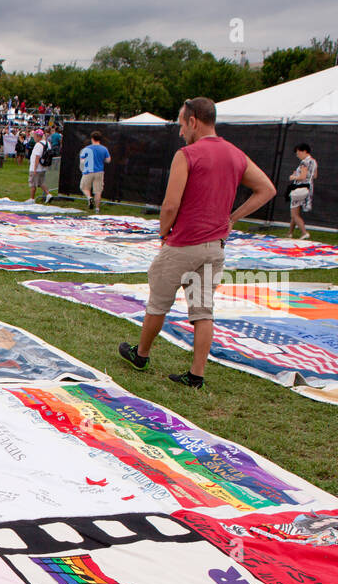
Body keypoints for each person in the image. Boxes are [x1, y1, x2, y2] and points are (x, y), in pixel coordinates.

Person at [118, 97, 276, 389]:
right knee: (203, 311)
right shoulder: (235, 155)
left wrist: (164, 233)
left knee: (158, 303)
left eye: (181, 124)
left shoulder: (187, 155)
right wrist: (232, 219)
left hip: (183, 244)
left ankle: (141, 355)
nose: (180, 132)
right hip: (215, 246)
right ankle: (196, 374)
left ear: (193, 121)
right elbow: (267, 189)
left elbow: (170, 204)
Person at [287, 142, 317, 240]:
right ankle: (289, 233)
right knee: (296, 212)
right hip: (308, 188)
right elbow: (314, 176)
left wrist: (293, 177)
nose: (297, 155)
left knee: (294, 213)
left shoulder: (304, 162)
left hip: (299, 188)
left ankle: (304, 232)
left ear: (304, 151)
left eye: (298, 153)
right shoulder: (314, 162)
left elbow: (302, 177)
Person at [79, 130, 111, 212]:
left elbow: (82, 160)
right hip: (99, 172)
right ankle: (97, 209)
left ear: (92, 138)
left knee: (84, 187)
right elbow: (108, 160)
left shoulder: (87, 149)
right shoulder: (104, 149)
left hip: (88, 171)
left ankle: (89, 198)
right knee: (98, 191)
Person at [28, 133, 48, 202]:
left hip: (37, 167)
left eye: (34, 137)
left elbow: (37, 157)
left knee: (33, 183)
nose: (34, 138)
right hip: (43, 167)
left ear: (38, 136)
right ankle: (48, 194)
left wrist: (35, 168)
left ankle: (32, 198)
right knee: (41, 182)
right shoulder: (47, 143)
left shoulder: (38, 145)